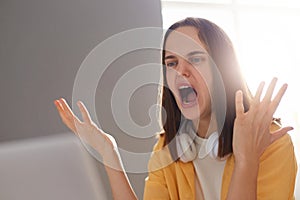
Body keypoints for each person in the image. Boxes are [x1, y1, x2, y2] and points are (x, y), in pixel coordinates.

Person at [54, 17, 297, 199]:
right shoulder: (168, 150)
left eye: (196, 58)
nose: (181, 71)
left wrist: (247, 161)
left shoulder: (270, 142)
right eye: (172, 62)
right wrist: (109, 152)